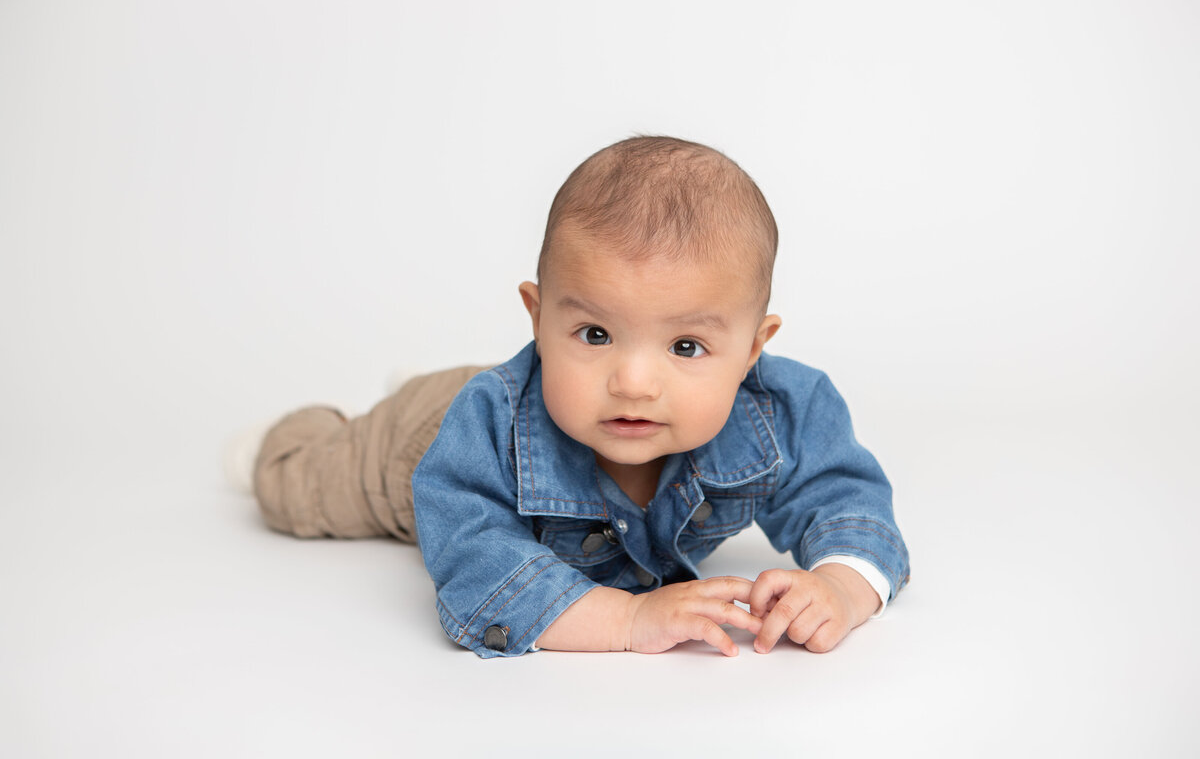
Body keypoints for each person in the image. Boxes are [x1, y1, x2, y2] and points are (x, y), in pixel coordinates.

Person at [243, 136, 910, 659]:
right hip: (426, 443)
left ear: (752, 350)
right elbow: (475, 560)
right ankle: (314, 431)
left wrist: (841, 589)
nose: (634, 383)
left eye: (685, 347)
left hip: (544, 392)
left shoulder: (782, 409)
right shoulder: (487, 427)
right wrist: (628, 619)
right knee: (297, 489)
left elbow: (846, 497)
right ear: (537, 318)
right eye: (595, 333)